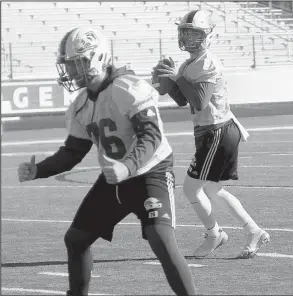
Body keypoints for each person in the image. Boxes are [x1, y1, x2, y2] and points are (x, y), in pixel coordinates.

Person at [18, 27, 197, 296]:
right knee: (76, 239)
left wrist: (127, 166)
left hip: (151, 173)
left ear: (98, 58)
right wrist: (39, 170)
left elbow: (151, 136)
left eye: (78, 62)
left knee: (161, 238)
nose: (73, 70)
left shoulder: (128, 87)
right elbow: (72, 153)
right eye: (69, 64)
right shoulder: (80, 104)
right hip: (115, 177)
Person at [152, 10, 270, 259]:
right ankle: (254, 230)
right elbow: (184, 101)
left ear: (207, 35)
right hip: (214, 131)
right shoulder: (190, 62)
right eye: (185, 32)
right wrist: (168, 83)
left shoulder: (207, 62)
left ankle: (214, 234)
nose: (188, 37)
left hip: (217, 131)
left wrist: (177, 78)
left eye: (195, 33)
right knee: (213, 190)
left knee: (191, 189)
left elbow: (201, 101)